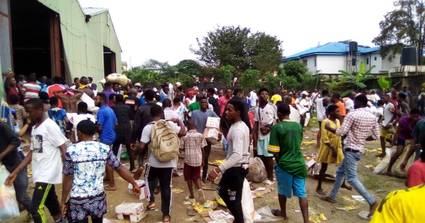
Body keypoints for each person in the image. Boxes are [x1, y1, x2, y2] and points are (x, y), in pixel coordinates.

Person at [61, 120, 140, 223]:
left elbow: (68, 178)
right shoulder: (103, 148)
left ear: (79, 133)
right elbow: (119, 168)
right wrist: (134, 183)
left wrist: (63, 201)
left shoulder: (71, 151)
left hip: (78, 200)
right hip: (98, 198)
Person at [6, 98, 68, 223]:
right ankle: (60, 220)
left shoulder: (50, 126)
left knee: (36, 209)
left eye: (30, 112)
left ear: (40, 110)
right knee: (51, 203)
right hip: (40, 173)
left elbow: (63, 148)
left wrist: (68, 171)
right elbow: (32, 153)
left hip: (47, 174)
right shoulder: (35, 128)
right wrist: (16, 172)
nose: (28, 115)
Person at [321, 94, 380, 220]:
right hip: (359, 149)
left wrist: (329, 128)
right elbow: (376, 136)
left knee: (352, 178)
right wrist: (362, 139)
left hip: (351, 149)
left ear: (358, 102)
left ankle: (372, 201)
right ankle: (332, 196)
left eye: (355, 101)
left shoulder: (352, 114)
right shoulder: (373, 117)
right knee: (340, 172)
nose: (353, 103)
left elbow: (341, 132)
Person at [139, 104, 185, 223]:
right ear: (162, 113)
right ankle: (166, 215)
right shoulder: (169, 125)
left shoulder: (148, 127)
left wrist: (138, 154)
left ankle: (152, 202)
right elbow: (183, 132)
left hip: (153, 162)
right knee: (166, 188)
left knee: (149, 181)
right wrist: (179, 121)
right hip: (169, 163)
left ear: (151, 114)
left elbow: (142, 146)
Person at [208, 99, 250, 223]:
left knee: (232, 198)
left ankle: (239, 220)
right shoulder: (237, 126)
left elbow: (237, 154)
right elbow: (233, 150)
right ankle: (238, 219)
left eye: (229, 110)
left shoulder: (238, 129)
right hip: (234, 167)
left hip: (237, 168)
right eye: (226, 109)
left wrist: (218, 169)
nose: (226, 112)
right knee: (225, 193)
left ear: (238, 112)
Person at [267, 103, 311, 223]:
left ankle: (284, 213)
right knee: (302, 193)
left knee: (282, 191)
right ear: (289, 113)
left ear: (279, 114)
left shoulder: (277, 127)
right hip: (300, 164)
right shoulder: (298, 126)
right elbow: (298, 143)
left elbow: (274, 150)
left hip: (285, 165)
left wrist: (279, 161)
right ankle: (306, 221)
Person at [0, 122, 32, 212]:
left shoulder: (2, 126)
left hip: (17, 164)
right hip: (5, 168)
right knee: (14, 196)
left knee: (21, 196)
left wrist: (2, 155)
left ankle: (36, 214)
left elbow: (16, 141)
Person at [316, 105, 344, 195]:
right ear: (331, 113)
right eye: (337, 111)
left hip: (337, 146)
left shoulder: (337, 121)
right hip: (327, 147)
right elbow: (324, 137)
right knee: (324, 167)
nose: (339, 113)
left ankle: (343, 183)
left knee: (343, 165)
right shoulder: (325, 122)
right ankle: (319, 187)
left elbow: (339, 133)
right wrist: (333, 149)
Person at [190, 96, 218, 182]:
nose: (204, 104)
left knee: (205, 158)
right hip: (196, 138)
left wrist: (216, 132)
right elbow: (190, 123)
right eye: (202, 102)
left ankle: (203, 177)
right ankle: (195, 176)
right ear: (199, 104)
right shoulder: (194, 113)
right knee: (196, 158)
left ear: (207, 104)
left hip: (207, 139)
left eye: (205, 102)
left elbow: (217, 120)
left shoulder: (211, 113)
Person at [253, 88, 277, 184]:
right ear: (259, 96)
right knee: (261, 156)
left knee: (269, 157)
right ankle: (264, 175)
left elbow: (276, 120)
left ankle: (271, 177)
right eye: (262, 94)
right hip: (260, 135)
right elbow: (256, 124)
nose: (264, 96)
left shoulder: (272, 107)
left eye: (266, 94)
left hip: (269, 135)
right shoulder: (257, 109)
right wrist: (253, 135)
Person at [386, 109, 421, 176]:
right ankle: (389, 169)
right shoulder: (403, 120)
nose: (415, 118)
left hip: (412, 139)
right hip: (402, 136)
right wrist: (393, 143)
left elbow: (418, 135)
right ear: (410, 115)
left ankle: (407, 171)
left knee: (412, 153)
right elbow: (397, 132)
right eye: (413, 116)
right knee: (399, 152)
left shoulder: (419, 121)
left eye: (416, 117)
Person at [95, 93, 118, 191]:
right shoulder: (110, 109)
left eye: (96, 99)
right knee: (107, 158)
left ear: (101, 100)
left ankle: (112, 184)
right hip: (111, 136)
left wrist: (95, 129)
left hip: (105, 138)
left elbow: (99, 126)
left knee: (107, 161)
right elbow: (116, 123)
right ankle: (108, 177)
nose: (94, 101)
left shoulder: (101, 111)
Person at [181, 120, 207, 203]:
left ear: (188, 127)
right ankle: (200, 190)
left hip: (188, 160)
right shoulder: (200, 135)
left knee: (188, 178)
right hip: (198, 159)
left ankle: (192, 195)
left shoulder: (185, 136)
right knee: (196, 177)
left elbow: (182, 148)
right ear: (195, 126)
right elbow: (203, 149)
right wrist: (203, 160)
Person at [113, 94, 134, 171]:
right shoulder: (128, 107)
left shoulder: (113, 108)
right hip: (127, 129)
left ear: (116, 100)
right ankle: (132, 166)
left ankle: (113, 165)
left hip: (117, 129)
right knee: (129, 149)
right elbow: (131, 118)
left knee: (115, 148)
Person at [379, 94, 397, 158]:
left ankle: (395, 150)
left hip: (388, 124)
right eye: (383, 98)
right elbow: (385, 114)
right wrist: (381, 120)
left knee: (387, 138)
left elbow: (394, 114)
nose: (383, 99)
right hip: (385, 124)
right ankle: (384, 152)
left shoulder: (390, 105)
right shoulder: (385, 105)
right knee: (382, 138)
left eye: (384, 98)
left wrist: (390, 123)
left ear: (388, 98)